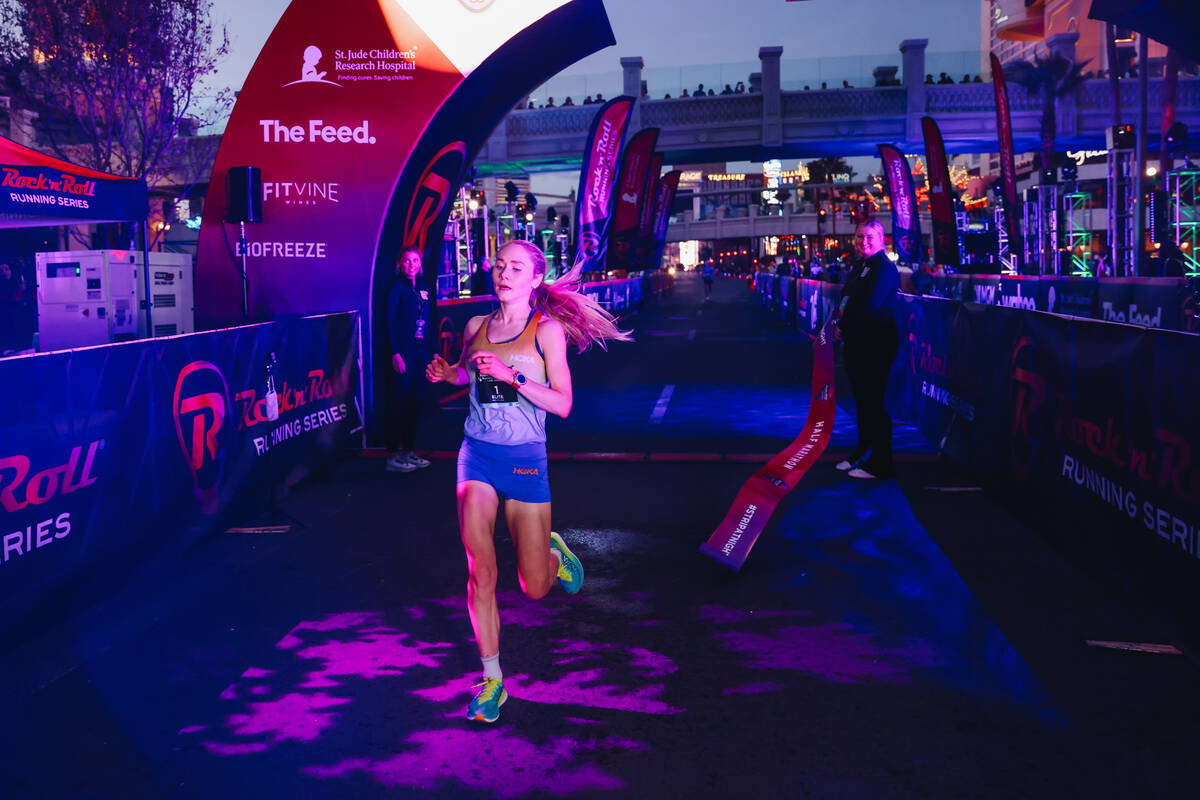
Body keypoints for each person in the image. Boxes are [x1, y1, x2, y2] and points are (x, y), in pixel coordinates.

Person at [425, 240, 631, 723]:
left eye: (516, 267)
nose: (504, 273)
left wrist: (512, 376)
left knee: (534, 586)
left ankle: (553, 553)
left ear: (535, 279)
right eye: (499, 265)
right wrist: (448, 373)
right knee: (480, 569)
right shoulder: (477, 326)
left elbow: (562, 404)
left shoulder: (548, 331)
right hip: (475, 454)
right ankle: (493, 679)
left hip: (524, 460)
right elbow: (468, 376)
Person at [834, 220, 900, 480]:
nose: (864, 241)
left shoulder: (883, 268)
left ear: (881, 238)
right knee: (862, 403)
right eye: (860, 236)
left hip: (876, 344)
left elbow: (870, 307)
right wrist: (839, 322)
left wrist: (845, 324)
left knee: (874, 404)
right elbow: (847, 300)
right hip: (857, 342)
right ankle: (863, 451)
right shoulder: (860, 266)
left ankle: (881, 464)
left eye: (870, 236)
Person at [384, 247, 435, 473]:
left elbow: (428, 321)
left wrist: (434, 351)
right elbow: (389, 323)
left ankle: (409, 450)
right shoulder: (396, 288)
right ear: (399, 263)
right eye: (406, 260)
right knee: (399, 401)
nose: (411, 264)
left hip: (421, 351)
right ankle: (393, 454)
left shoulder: (424, 288)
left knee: (416, 401)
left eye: (415, 260)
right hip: (403, 352)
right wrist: (395, 353)